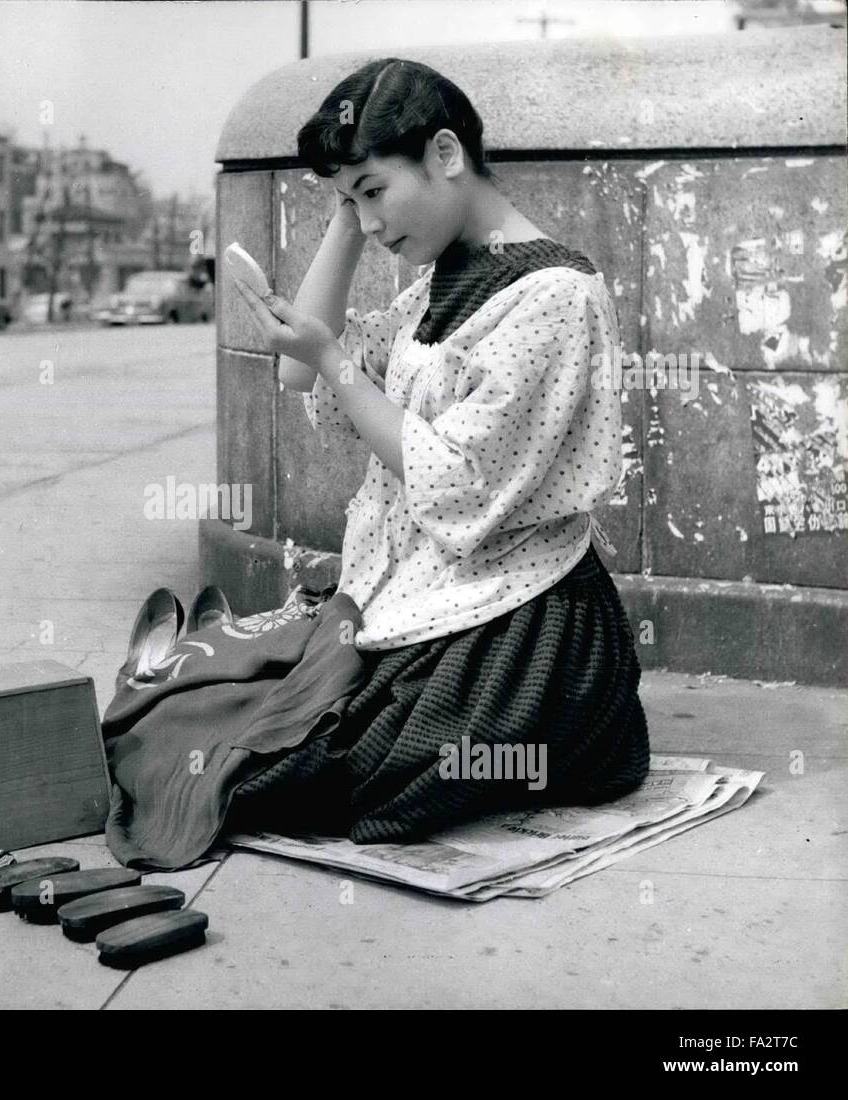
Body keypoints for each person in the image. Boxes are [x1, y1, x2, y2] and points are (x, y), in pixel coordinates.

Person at [226, 58, 650, 843]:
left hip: (524, 625)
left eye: (376, 192)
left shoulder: (555, 294)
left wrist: (335, 363)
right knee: (232, 725)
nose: (374, 222)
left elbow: (452, 479)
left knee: (315, 776)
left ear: (446, 155)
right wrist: (346, 219)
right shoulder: (441, 281)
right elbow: (295, 368)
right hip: (436, 594)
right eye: (353, 200)